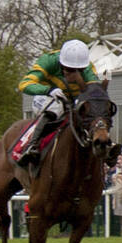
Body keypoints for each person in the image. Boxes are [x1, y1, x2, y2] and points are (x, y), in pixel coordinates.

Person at [16, 39, 102, 168]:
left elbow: (94, 92)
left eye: (79, 70)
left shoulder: (89, 69)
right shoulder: (48, 61)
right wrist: (48, 90)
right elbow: (24, 84)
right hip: (47, 97)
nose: (73, 74)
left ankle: (103, 144)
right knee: (56, 107)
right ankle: (32, 145)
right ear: (61, 64)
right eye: (69, 69)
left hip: (73, 101)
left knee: (94, 108)